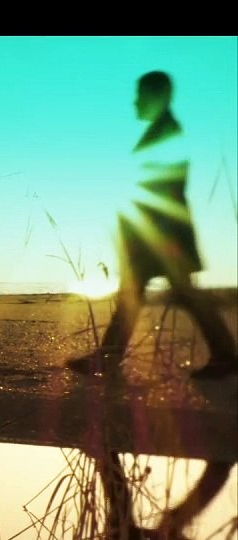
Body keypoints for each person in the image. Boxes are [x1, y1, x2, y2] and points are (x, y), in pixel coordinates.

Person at [67, 71, 237, 379]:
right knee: (159, 294)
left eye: (141, 94)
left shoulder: (166, 132)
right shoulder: (164, 130)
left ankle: (109, 359)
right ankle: (224, 355)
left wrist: (142, 231)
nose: (135, 101)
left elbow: (163, 186)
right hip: (161, 232)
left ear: (157, 96)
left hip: (160, 234)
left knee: (156, 293)